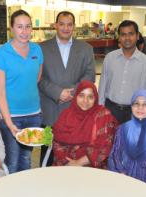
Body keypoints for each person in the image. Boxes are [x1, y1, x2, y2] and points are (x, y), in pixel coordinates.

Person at [39, 11, 95, 166]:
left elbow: (90, 75)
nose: (65, 28)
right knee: (47, 156)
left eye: (69, 24)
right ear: (55, 25)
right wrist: (57, 92)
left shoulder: (85, 49)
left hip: (76, 110)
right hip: (50, 111)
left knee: (73, 155)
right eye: (62, 24)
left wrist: (73, 92)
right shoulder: (41, 48)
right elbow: (38, 78)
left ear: (74, 27)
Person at [0, 9, 43, 173]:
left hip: (34, 114)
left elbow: (37, 78)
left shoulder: (37, 50)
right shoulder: (1, 53)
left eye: (28, 27)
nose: (24, 31)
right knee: (12, 161)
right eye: (20, 27)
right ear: (11, 28)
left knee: (26, 159)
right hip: (11, 115)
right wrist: (8, 121)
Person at [98, 20, 146, 124]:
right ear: (119, 37)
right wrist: (100, 109)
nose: (127, 38)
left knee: (131, 140)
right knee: (110, 140)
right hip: (111, 110)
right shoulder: (110, 58)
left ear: (137, 36)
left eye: (131, 34)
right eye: (123, 34)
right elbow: (102, 86)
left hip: (134, 112)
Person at [52, 80, 118, 168]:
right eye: (81, 95)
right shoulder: (66, 115)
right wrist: (67, 163)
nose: (85, 101)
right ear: (76, 96)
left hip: (92, 167)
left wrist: (78, 163)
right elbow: (57, 142)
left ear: (95, 99)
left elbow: (104, 147)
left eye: (90, 97)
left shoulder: (103, 116)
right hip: (66, 164)